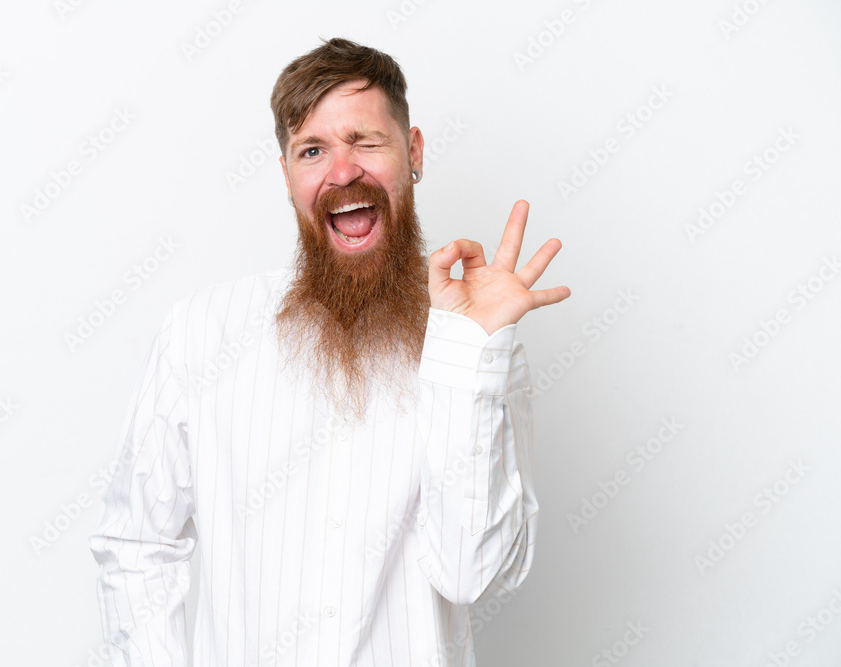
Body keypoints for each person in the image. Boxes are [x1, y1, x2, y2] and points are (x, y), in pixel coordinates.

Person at [89, 37, 570, 666]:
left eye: (366, 142)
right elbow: (135, 545)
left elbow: (471, 574)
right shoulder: (201, 331)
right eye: (312, 150)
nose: (342, 172)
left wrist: (469, 357)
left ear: (414, 152)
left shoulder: (474, 340)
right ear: (288, 175)